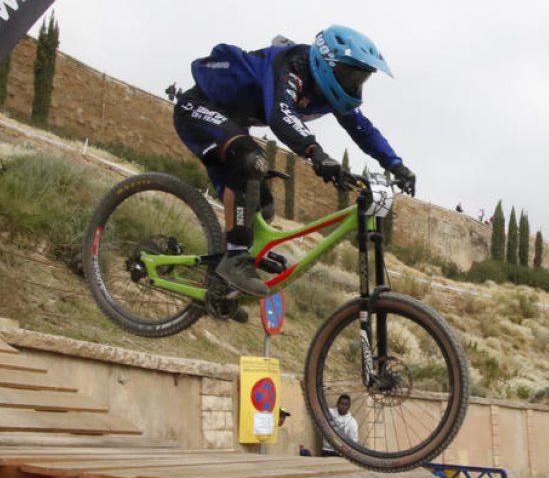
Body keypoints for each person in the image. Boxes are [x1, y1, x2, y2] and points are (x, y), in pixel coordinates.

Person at [173, 25, 415, 298]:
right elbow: (281, 114)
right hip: (197, 108)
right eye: (350, 74)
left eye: (361, 78)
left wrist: (396, 164)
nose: (353, 85)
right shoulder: (291, 67)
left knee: (262, 206)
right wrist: (315, 152)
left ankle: (219, 290)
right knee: (251, 160)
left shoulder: (327, 92)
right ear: (327, 63)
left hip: (231, 124)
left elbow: (363, 129)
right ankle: (236, 259)